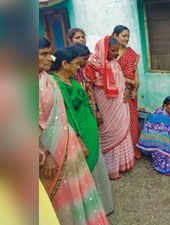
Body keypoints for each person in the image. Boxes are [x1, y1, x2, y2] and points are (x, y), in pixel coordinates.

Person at [39, 37, 109, 225]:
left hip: (68, 143)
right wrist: (46, 154)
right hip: (50, 150)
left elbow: (62, 115)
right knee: (62, 193)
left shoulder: (47, 80)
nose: (49, 58)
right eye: (44, 54)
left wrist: (76, 139)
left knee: (77, 189)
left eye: (49, 53)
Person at [50, 46, 114, 215]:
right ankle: (91, 212)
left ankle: (102, 207)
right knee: (85, 174)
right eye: (76, 64)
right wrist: (78, 140)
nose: (79, 68)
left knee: (98, 171)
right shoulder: (57, 86)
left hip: (90, 133)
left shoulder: (72, 81)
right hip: (79, 138)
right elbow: (67, 117)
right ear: (64, 64)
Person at [85, 35, 136, 180]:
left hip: (119, 104)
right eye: (113, 51)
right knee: (108, 132)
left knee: (121, 130)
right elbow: (89, 90)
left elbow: (121, 81)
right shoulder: (93, 66)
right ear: (105, 49)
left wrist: (126, 90)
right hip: (104, 107)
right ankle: (110, 170)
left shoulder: (114, 63)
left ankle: (122, 165)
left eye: (117, 50)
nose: (116, 54)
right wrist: (97, 110)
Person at [113, 25, 142, 160]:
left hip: (130, 93)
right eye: (123, 36)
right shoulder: (111, 53)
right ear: (115, 35)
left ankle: (134, 149)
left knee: (132, 121)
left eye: (128, 36)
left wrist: (135, 87)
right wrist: (129, 82)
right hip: (116, 93)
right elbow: (112, 74)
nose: (126, 39)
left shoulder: (131, 53)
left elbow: (135, 72)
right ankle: (124, 154)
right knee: (120, 122)